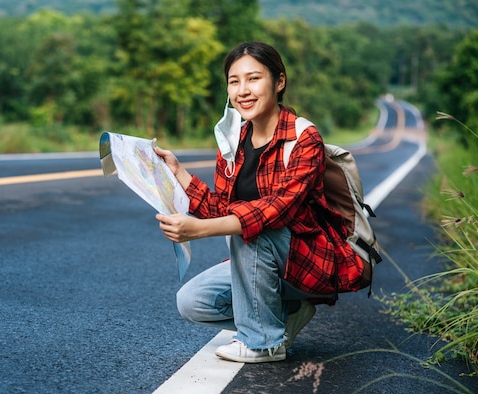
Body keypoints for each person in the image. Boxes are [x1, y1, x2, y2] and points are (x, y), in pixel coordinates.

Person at [154, 41, 364, 363]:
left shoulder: (304, 138)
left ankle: (263, 342)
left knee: (252, 227)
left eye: (253, 79)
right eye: (234, 81)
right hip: (261, 261)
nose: (243, 91)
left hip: (308, 261)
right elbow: (220, 208)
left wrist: (198, 231)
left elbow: (276, 210)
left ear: (279, 82)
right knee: (192, 302)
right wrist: (178, 172)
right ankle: (285, 315)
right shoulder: (233, 141)